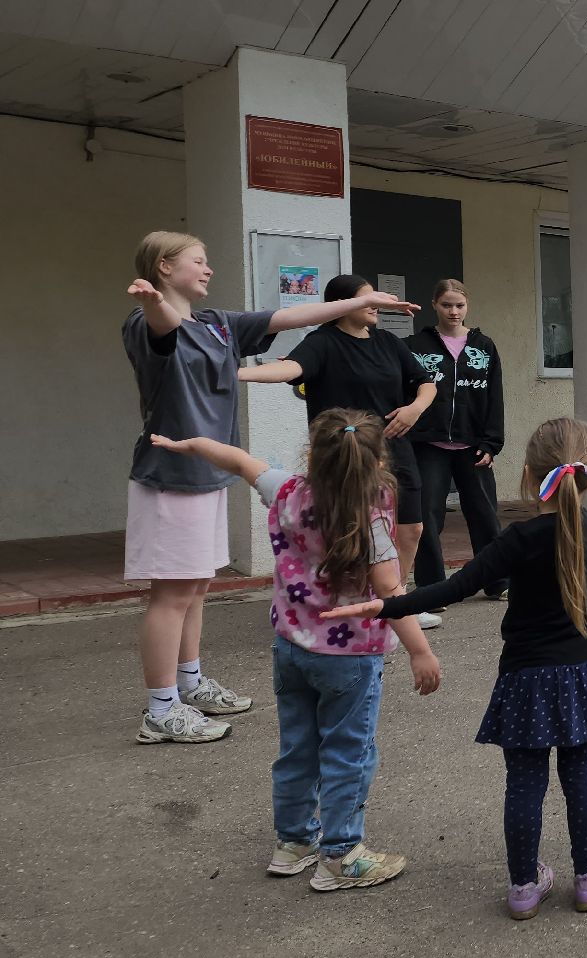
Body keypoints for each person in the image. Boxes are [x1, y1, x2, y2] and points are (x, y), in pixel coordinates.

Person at [122, 231, 418, 745]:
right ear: (165, 268)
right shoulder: (146, 322)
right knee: (170, 595)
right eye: (199, 260)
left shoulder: (218, 324)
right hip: (170, 475)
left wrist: (362, 300)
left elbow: (292, 318)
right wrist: (154, 302)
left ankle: (189, 683)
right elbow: (164, 326)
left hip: (209, 473)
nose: (209, 268)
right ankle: (160, 708)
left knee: (195, 588)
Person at [324, 418, 587, 918]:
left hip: (524, 678)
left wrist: (384, 605)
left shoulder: (516, 539)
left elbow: (452, 589)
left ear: (527, 475)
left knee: (525, 782)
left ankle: (524, 888)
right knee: (580, 773)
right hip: (577, 674)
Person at [148, 410, 441, 891]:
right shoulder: (370, 516)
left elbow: (240, 461)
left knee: (297, 749)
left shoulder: (287, 491)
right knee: (348, 753)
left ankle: (294, 843)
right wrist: (420, 651)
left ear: (313, 455)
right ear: (376, 461)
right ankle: (342, 855)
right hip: (350, 660)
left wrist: (191, 443)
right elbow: (390, 595)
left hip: (291, 650)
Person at [241, 275, 441, 627]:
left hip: (393, 449)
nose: (376, 305)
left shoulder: (389, 343)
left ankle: (395, 602)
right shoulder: (321, 343)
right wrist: (238, 374)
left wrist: (415, 408)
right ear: (345, 305)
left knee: (410, 529)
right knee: (348, 531)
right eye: (368, 299)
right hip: (343, 457)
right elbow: (290, 369)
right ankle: (348, 603)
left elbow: (425, 383)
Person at [407, 280, 507, 601]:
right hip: (428, 445)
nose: (453, 311)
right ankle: (433, 588)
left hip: (473, 446)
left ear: (467, 306)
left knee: (484, 516)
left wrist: (491, 443)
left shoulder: (484, 346)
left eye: (459, 305)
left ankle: (497, 582)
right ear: (435, 304)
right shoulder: (414, 346)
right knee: (427, 517)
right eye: (447, 305)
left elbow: (495, 398)